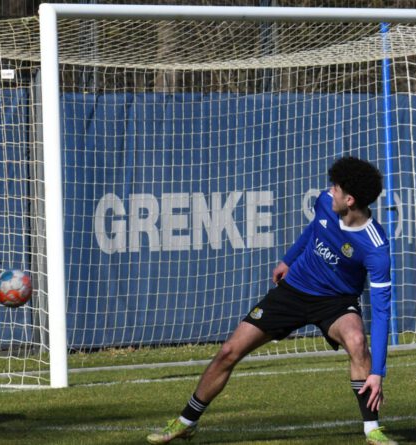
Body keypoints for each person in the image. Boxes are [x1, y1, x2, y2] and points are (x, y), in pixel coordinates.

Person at [146, 157, 397, 445]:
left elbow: (381, 312)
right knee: (229, 350)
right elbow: (315, 229)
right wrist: (288, 260)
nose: (329, 191)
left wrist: (378, 372)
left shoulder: (376, 249)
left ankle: (372, 430)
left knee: (356, 341)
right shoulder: (325, 203)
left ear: (350, 200)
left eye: (336, 188)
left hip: (336, 302)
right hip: (293, 291)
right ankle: (186, 421)